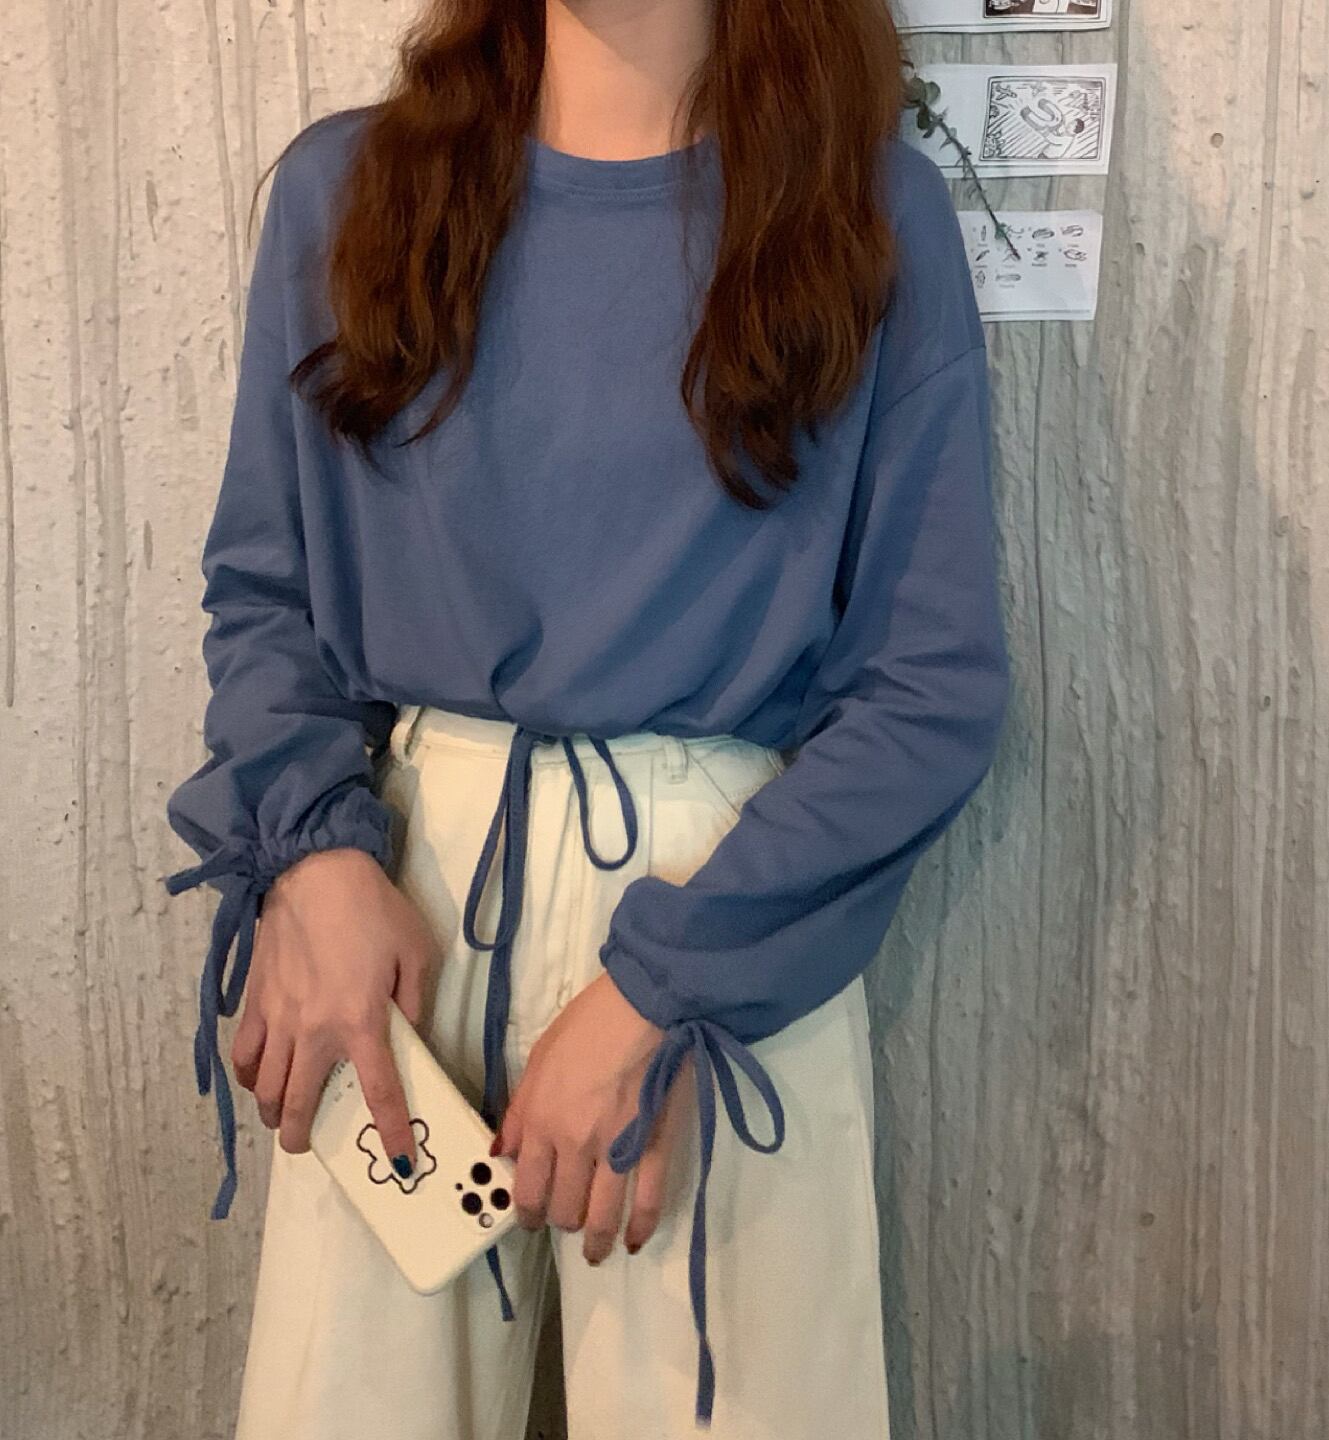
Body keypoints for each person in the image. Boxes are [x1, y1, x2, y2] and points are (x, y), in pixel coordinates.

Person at [161, 1, 1011, 1436]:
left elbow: (929, 687)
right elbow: (267, 592)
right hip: (400, 896)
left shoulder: (865, 215)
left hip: (725, 908)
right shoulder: (350, 192)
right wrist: (311, 859)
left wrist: (660, 993)